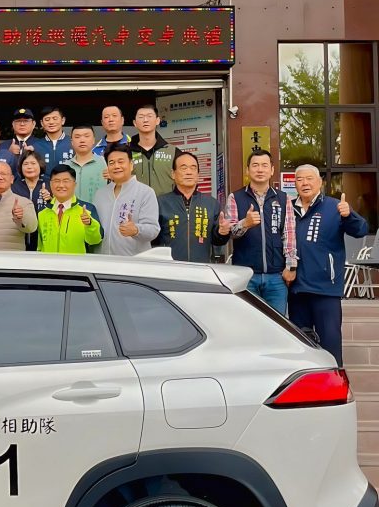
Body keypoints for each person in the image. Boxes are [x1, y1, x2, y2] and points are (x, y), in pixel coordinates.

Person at [288, 165, 369, 365]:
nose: (305, 183)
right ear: (295, 183)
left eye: (309, 178)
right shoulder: (288, 209)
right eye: (300, 179)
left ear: (320, 182)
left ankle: (335, 383)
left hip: (326, 289)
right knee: (301, 348)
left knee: (330, 346)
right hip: (296, 290)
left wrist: (348, 215)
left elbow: (361, 230)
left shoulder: (334, 207)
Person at [225, 149, 298, 314]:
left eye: (264, 165)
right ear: (247, 170)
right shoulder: (235, 197)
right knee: (247, 322)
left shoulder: (283, 198)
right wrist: (245, 223)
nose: (260, 169)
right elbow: (230, 233)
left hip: (276, 277)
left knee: (276, 324)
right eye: (255, 165)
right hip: (245, 275)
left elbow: (289, 233)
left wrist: (291, 266)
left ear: (272, 170)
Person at [155, 151, 231, 263]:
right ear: (173, 174)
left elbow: (217, 241)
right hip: (169, 268)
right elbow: (152, 238)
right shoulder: (160, 202)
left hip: (201, 267)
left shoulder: (211, 203)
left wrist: (222, 232)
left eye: (193, 168)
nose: (189, 172)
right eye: (183, 168)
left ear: (198, 175)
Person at [93, 143, 160, 256]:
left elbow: (153, 229)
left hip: (133, 261)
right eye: (111, 163)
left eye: (121, 161)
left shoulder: (145, 192)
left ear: (131, 165)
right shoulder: (100, 194)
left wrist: (136, 230)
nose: (116, 166)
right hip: (103, 261)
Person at [36, 165, 103, 254]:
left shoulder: (88, 209)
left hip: (76, 262)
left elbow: (95, 240)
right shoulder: (42, 212)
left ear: (74, 184)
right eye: (56, 181)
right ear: (51, 184)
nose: (61, 185)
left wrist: (90, 224)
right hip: (49, 262)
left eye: (66, 181)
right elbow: (40, 246)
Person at [130, 104, 178, 196]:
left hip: (166, 204)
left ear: (157, 120)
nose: (145, 120)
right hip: (136, 204)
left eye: (149, 116)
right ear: (135, 123)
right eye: (141, 117)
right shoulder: (126, 153)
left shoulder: (173, 151)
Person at [11, 150, 49, 251]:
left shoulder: (49, 185)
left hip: (43, 237)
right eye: (25, 164)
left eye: (33, 163)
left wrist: (50, 199)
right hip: (18, 237)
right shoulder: (14, 187)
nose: (29, 167)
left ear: (40, 165)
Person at [66, 124, 108, 204]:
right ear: (72, 142)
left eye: (86, 136)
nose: (82, 140)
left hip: (97, 211)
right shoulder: (65, 166)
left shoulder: (105, 163)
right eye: (77, 137)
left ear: (93, 140)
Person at [33, 107, 73, 181]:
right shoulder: (35, 146)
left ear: (63, 120)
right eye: (47, 119)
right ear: (42, 123)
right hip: (43, 186)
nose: (51, 122)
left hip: (69, 185)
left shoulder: (73, 143)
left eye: (55, 118)